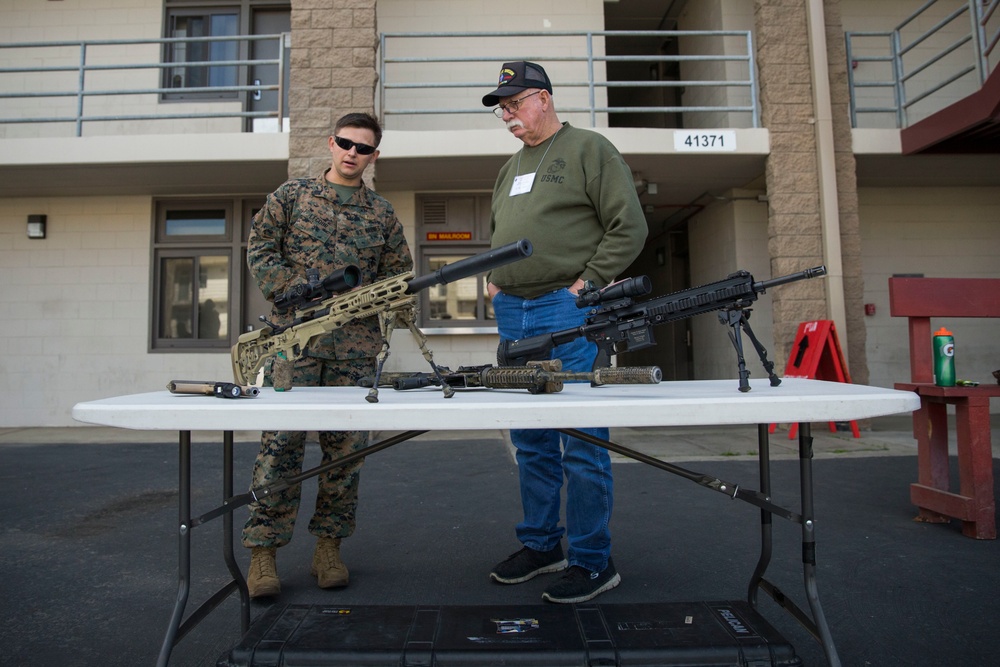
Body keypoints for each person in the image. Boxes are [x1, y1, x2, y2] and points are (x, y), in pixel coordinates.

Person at [482, 62, 648, 603]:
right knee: (529, 438)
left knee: (579, 438)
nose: (506, 115)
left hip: (566, 308)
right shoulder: (510, 168)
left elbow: (630, 224)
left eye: (513, 103)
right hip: (514, 313)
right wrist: (495, 279)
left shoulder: (589, 149)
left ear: (544, 99)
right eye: (501, 108)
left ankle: (593, 560)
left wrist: (589, 283)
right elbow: (502, 233)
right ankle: (541, 545)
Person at [242, 112, 413, 598]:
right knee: (280, 451)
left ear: (374, 155)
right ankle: (263, 555)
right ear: (330, 143)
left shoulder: (380, 214)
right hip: (293, 344)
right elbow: (260, 250)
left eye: (363, 148)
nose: (352, 153)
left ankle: (328, 550)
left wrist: (388, 302)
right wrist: (296, 290)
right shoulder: (291, 197)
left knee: (345, 454)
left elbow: (398, 274)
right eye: (345, 143)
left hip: (353, 351)